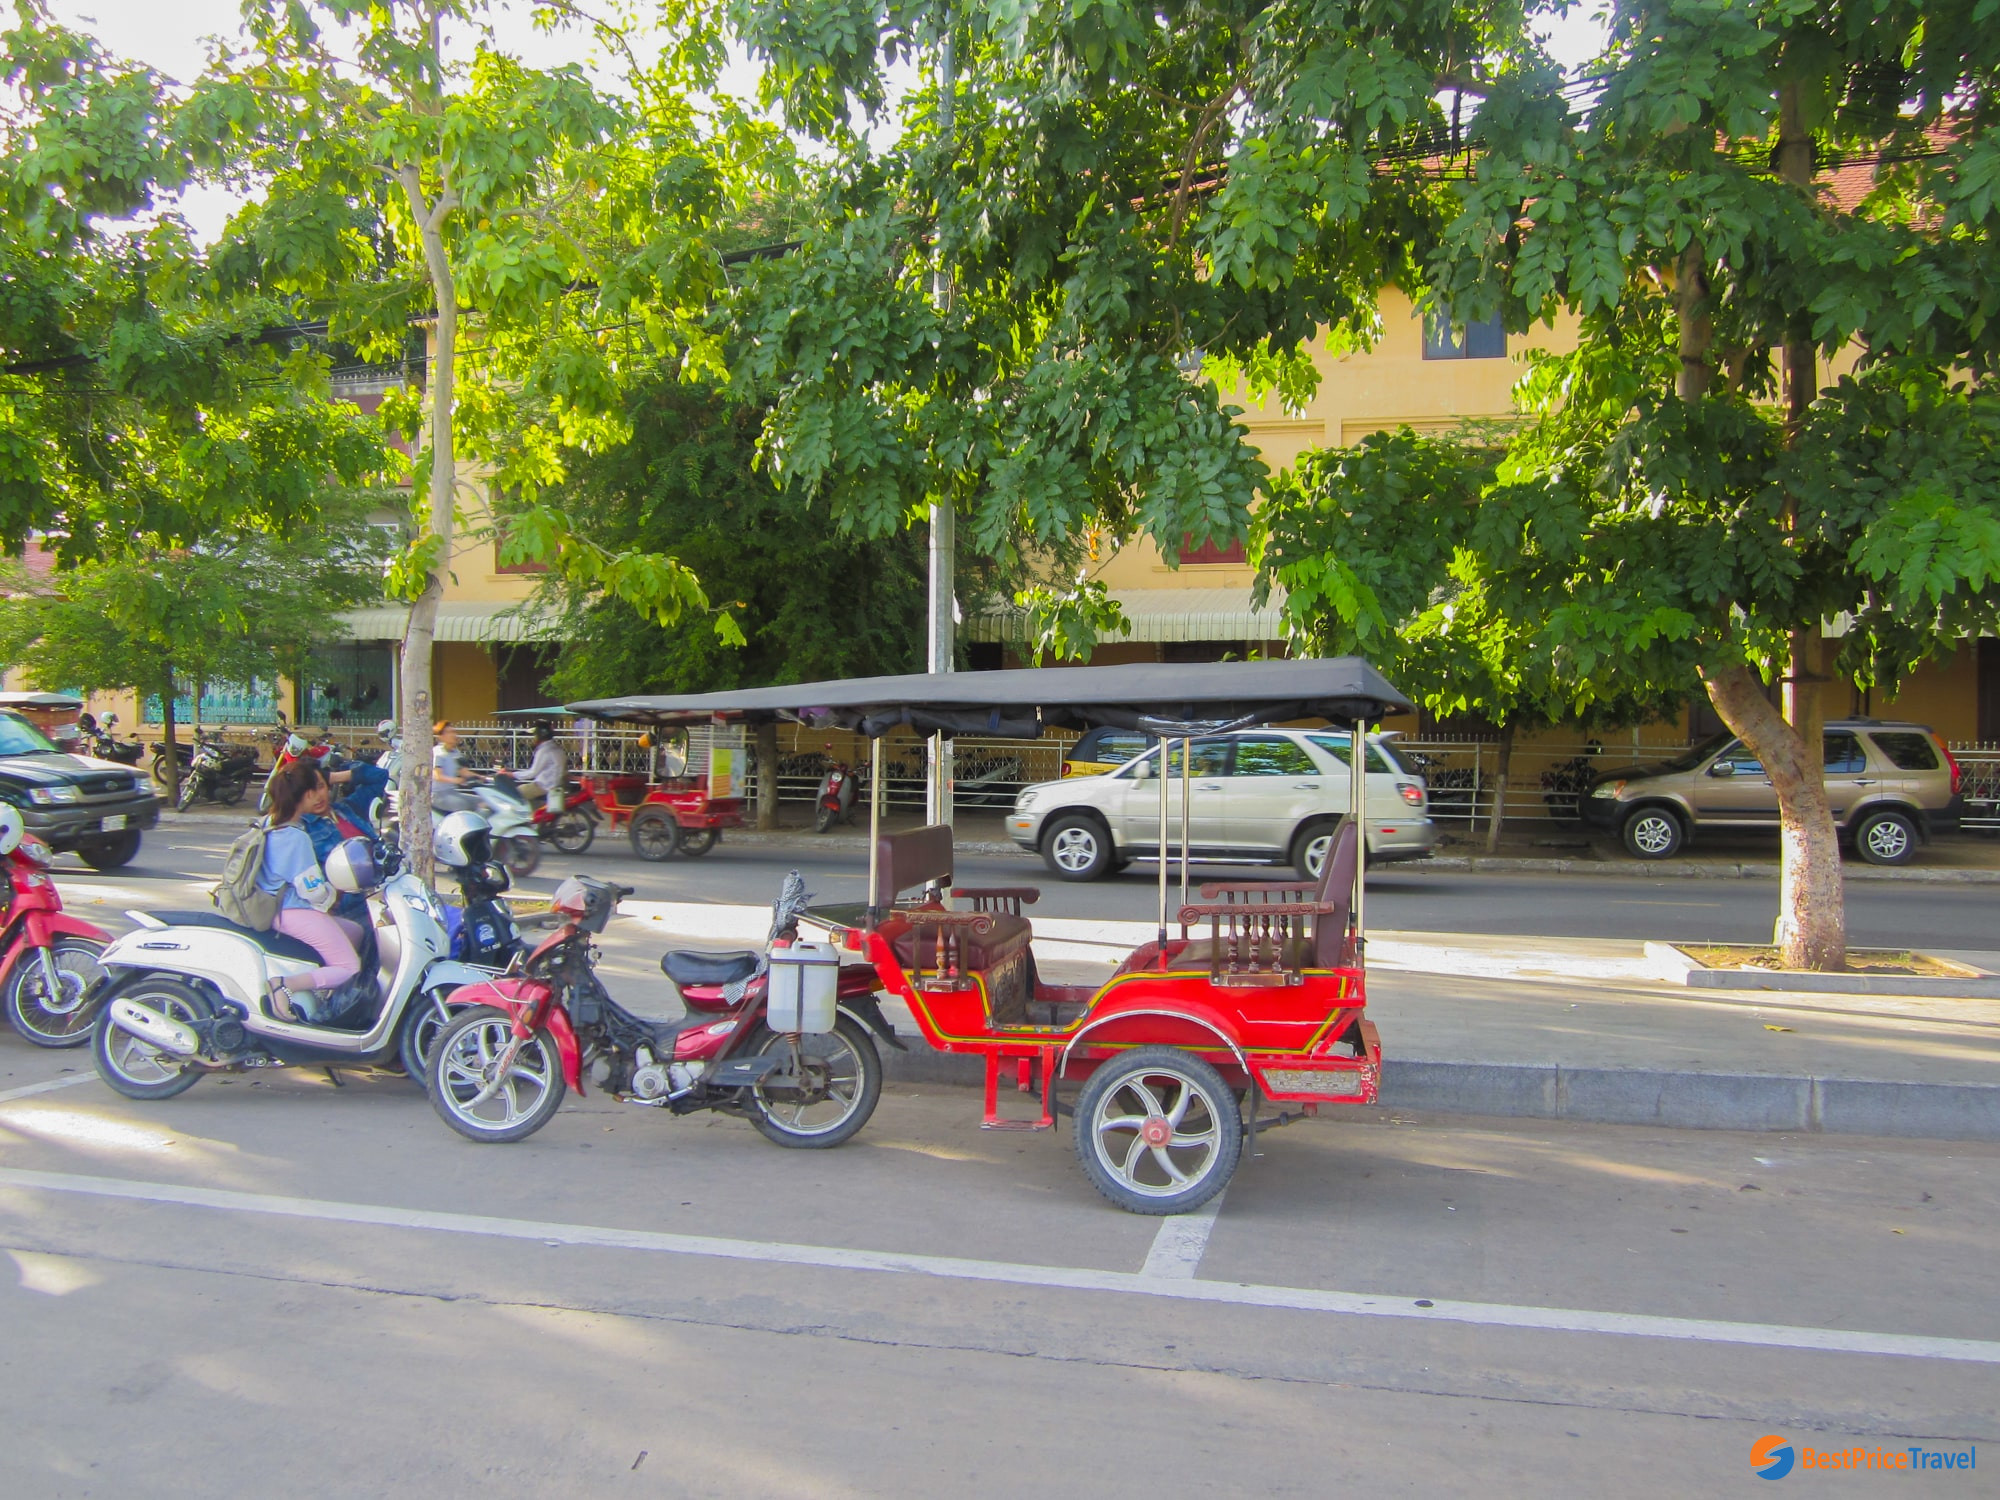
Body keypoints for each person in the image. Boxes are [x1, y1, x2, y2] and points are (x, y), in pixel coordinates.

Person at [257, 761, 365, 1023]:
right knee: (350, 968)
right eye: (315, 789)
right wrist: (336, 890)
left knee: (355, 931)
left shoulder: (267, 824)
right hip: (293, 911)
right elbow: (312, 890)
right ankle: (284, 985)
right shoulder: (295, 836)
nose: (319, 795)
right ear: (304, 795)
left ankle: (324, 990)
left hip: (275, 908)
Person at [516, 722, 566, 810]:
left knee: (516, 792)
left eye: (534, 735)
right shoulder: (558, 748)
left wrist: (512, 774)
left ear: (540, 735)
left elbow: (532, 773)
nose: (533, 738)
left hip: (543, 786)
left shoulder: (544, 750)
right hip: (556, 784)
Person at [432, 720, 478, 813]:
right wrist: (457, 780)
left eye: (454, 732)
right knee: (463, 805)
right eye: (449, 732)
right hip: (439, 795)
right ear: (441, 736)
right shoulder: (438, 753)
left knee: (483, 802)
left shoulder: (456, 752)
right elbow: (438, 776)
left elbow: (463, 772)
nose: (454, 735)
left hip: (452, 792)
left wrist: (483, 778)